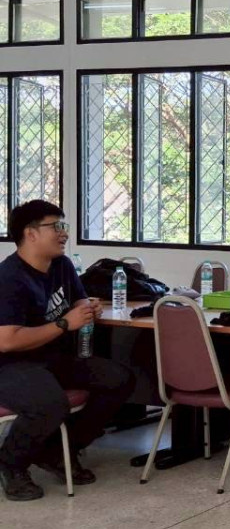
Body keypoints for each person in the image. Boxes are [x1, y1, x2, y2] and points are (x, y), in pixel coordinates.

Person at [0, 200, 135, 501]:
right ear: (30, 233)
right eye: (56, 227)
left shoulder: (61, 265)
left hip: (51, 358)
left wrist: (87, 308)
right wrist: (64, 323)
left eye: (64, 226)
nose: (64, 233)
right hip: (9, 365)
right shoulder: (9, 278)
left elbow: (78, 299)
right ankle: (11, 463)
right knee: (50, 403)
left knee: (119, 379)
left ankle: (58, 451)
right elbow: (7, 340)